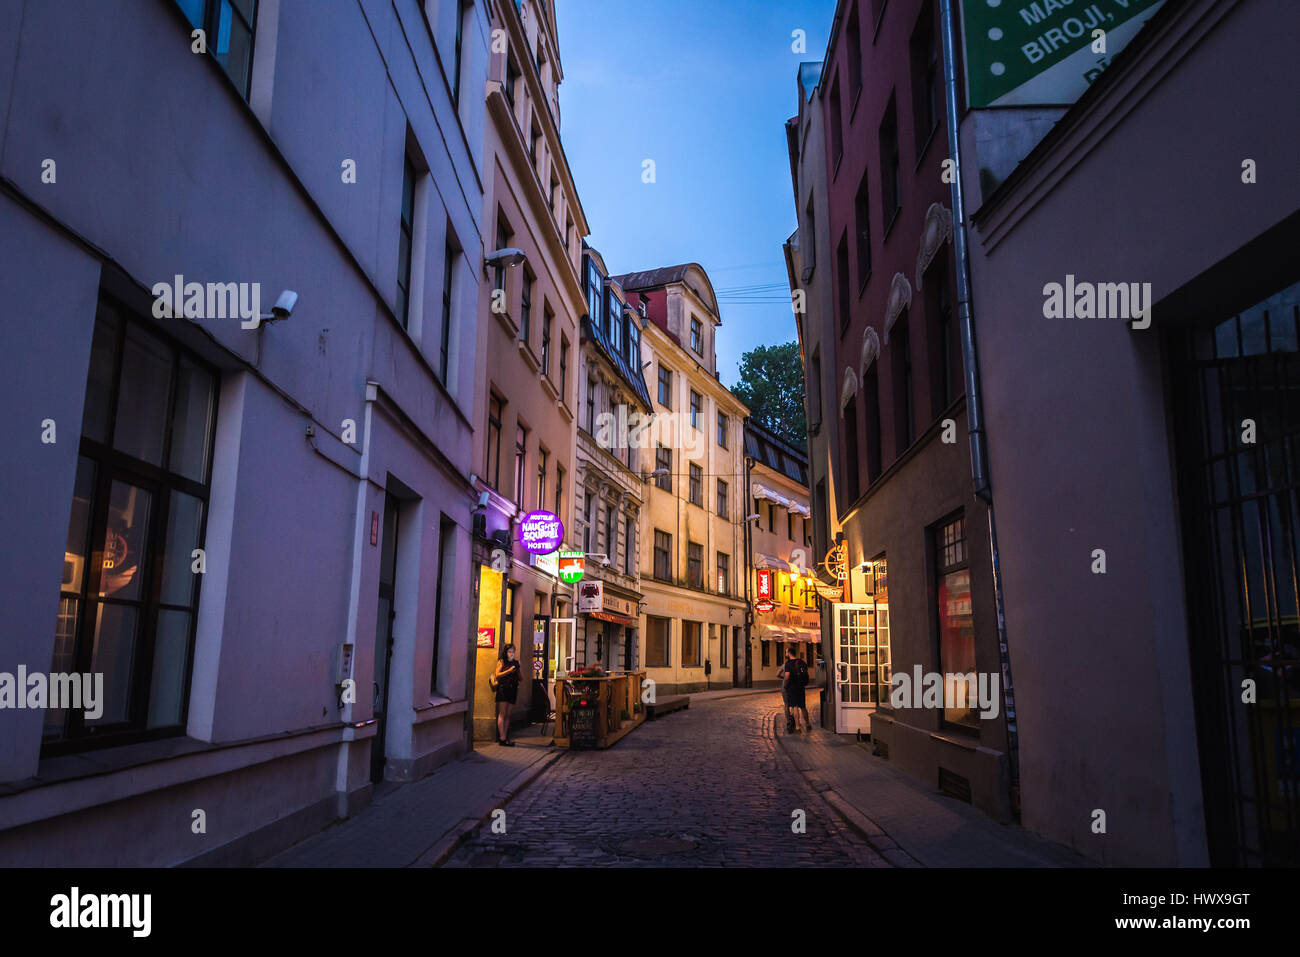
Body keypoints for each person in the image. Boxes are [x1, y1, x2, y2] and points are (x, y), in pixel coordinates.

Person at [780, 645, 812, 733]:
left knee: (794, 707)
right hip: (801, 687)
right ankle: (808, 723)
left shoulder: (788, 663)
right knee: (803, 706)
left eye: (786, 652)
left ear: (789, 653)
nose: (785, 653)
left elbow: (787, 677)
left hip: (792, 687)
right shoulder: (802, 662)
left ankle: (797, 726)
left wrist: (785, 686)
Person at [494, 644, 521, 746]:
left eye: (513, 652)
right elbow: (497, 675)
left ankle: (505, 736)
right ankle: (502, 738)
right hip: (503, 689)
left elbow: (521, 678)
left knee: (508, 715)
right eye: (509, 651)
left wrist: (518, 670)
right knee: (503, 714)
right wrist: (508, 671)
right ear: (506, 652)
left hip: (513, 689)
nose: (511, 654)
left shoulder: (516, 662)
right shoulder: (501, 662)